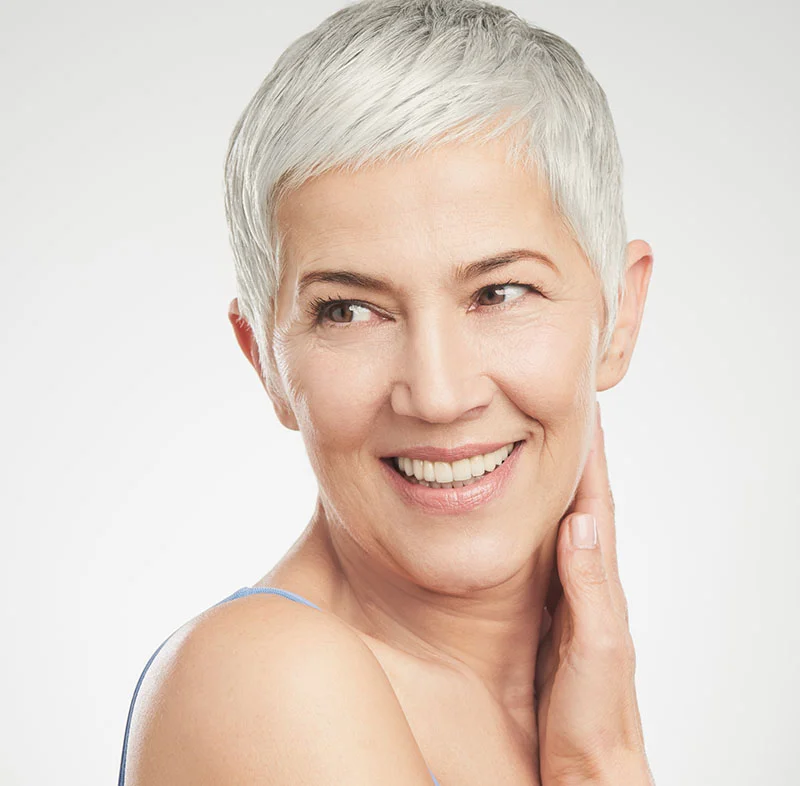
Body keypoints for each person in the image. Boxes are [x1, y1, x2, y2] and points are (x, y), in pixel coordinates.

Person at [118, 1, 656, 783]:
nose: (437, 395)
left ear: (620, 316)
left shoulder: (574, 700)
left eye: (500, 293)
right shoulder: (270, 684)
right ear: (264, 360)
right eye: (350, 311)